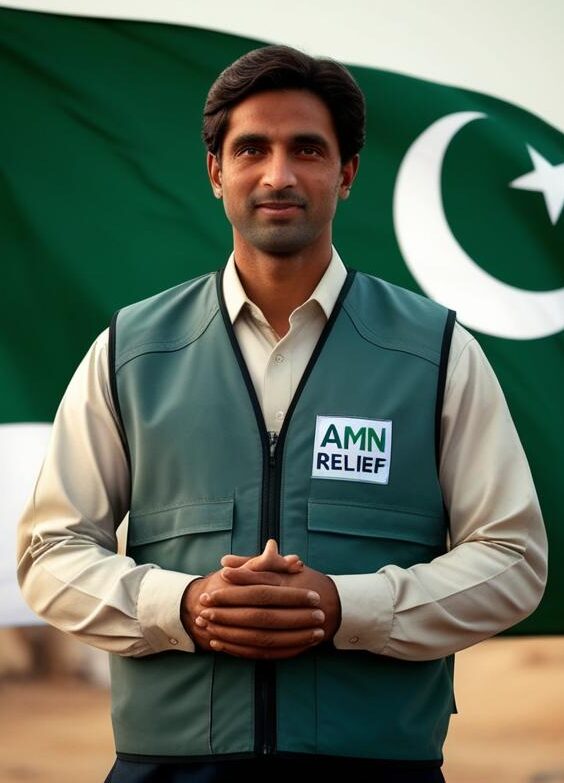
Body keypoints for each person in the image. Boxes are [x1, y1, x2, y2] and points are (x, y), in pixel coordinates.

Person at [17, 45, 547, 783]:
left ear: (347, 171)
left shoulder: (438, 352)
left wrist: (345, 606)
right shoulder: (131, 350)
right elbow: (49, 552)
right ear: (215, 171)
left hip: (375, 766)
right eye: (251, 149)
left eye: (307, 149)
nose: (278, 175)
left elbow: (515, 559)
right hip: (168, 768)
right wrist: (184, 603)